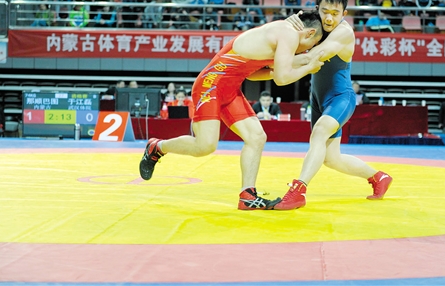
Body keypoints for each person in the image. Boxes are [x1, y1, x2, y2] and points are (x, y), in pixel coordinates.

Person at [138, 11, 325, 210]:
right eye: (312, 45)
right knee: (205, 146)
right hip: (211, 85)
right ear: (309, 33)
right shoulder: (288, 34)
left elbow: (254, 75)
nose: (306, 51)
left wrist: (305, 63)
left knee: (256, 137)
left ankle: (247, 195)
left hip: (230, 90)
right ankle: (157, 147)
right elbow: (281, 78)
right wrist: (309, 66)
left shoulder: (282, 35)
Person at [273, 0, 393, 210]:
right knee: (331, 158)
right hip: (318, 99)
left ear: (344, 14)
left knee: (318, 134)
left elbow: (316, 55)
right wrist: (290, 26)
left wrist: (275, 62)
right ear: (317, 7)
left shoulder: (344, 33)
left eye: (335, 14)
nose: (329, 18)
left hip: (341, 98)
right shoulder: (315, 23)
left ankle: (298, 190)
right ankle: (378, 177)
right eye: (325, 12)